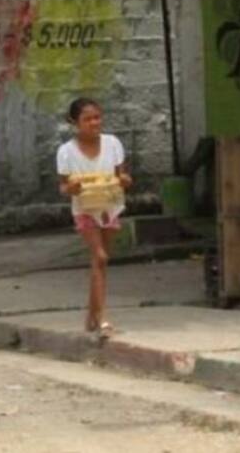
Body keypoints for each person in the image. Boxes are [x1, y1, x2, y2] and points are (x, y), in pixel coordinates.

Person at [56, 97, 132, 337]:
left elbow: (123, 175)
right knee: (99, 256)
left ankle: (92, 314)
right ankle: (102, 318)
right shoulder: (66, 152)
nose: (94, 123)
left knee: (101, 261)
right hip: (85, 208)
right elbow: (62, 186)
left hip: (109, 205)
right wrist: (72, 188)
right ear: (75, 122)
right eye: (87, 119)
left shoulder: (112, 144)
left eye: (97, 117)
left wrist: (125, 181)